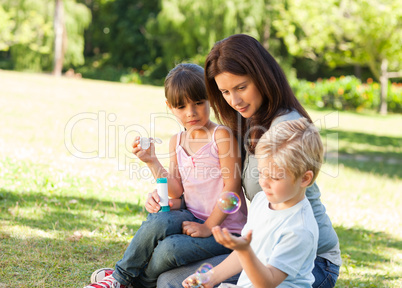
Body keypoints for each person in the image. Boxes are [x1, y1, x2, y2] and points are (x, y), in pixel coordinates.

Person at [157, 34, 341, 288]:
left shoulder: (285, 130)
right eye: (225, 92)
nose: (234, 101)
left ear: (262, 77)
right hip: (259, 243)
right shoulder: (248, 120)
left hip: (308, 263)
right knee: (168, 277)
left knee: (172, 282)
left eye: (241, 87)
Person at [83, 63, 247, 288]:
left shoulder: (221, 136)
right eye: (181, 106)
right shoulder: (177, 141)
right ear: (170, 107)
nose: (191, 112)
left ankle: (127, 281)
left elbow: (233, 186)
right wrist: (152, 161)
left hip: (223, 231)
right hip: (190, 216)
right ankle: (120, 277)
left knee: (170, 249)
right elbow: (176, 189)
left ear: (210, 98)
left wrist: (208, 226)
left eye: (199, 102)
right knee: (157, 220)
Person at [183, 117, 322, 287]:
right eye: (262, 173)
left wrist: (245, 250)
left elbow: (268, 282)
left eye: (275, 177)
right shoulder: (262, 200)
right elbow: (243, 252)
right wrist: (210, 278)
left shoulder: (299, 229)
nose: (264, 182)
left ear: (305, 178)